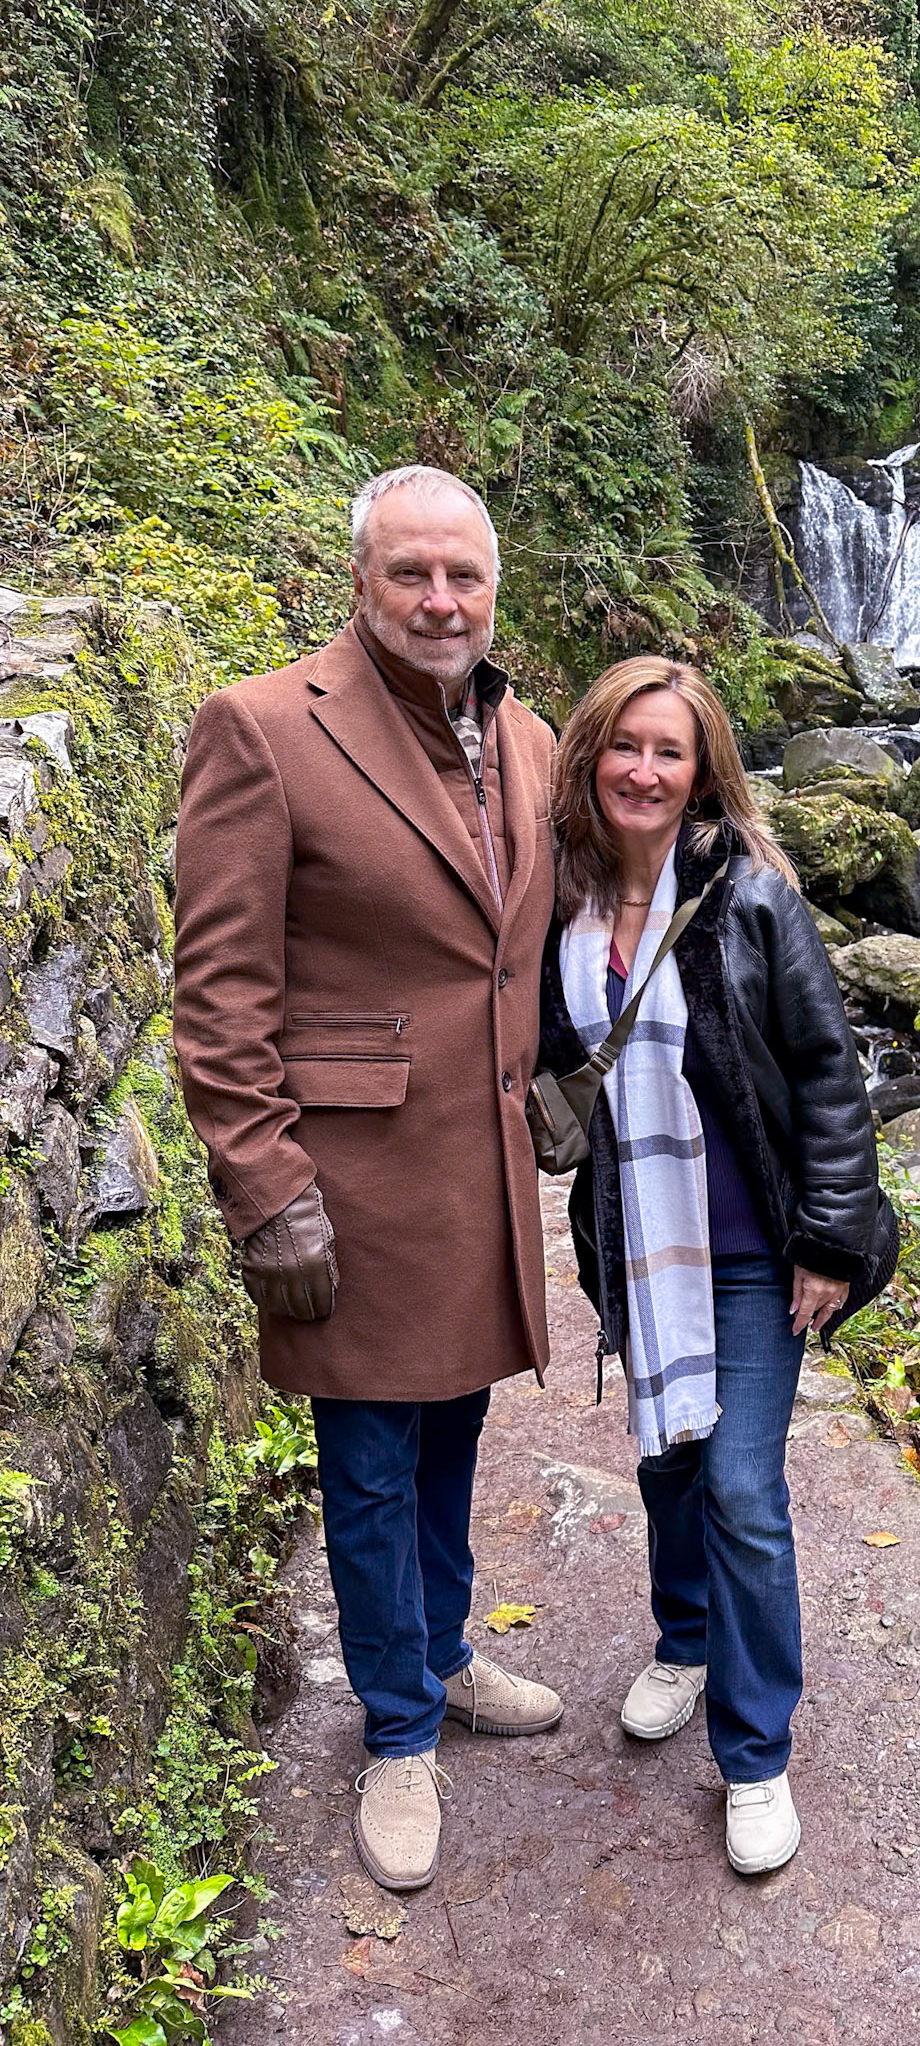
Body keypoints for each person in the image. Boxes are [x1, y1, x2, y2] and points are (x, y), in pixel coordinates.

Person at [173, 465, 562, 1894]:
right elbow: (219, 992)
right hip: (349, 1178)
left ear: (494, 586)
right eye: (412, 573)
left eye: (464, 574)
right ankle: (397, 1728)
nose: (441, 600)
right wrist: (264, 1187)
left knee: (454, 1425)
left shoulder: (523, 733)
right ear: (362, 581)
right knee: (370, 1461)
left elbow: (531, 939)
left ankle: (444, 1651)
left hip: (479, 1165)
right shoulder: (265, 726)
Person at [539, 655, 896, 1876]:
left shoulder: (750, 896)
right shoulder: (561, 900)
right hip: (644, 1243)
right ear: (592, 754)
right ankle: (684, 1638)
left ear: (702, 774)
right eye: (626, 744)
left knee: (742, 1485)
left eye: (670, 751)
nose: (644, 770)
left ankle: (755, 1754)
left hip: (756, 1253)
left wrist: (832, 1238)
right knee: (668, 1461)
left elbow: (829, 1068)